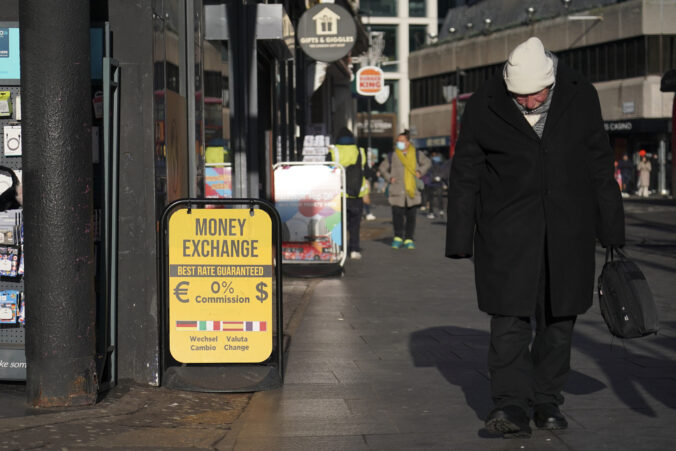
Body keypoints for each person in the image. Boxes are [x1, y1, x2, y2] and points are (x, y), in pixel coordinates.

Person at [445, 37, 625, 438]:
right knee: (508, 321)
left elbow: (599, 163)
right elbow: (466, 172)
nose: (527, 103)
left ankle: (546, 401)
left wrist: (612, 228)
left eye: (535, 95)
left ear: (552, 82)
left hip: (568, 232)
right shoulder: (485, 103)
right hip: (506, 233)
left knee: (559, 321)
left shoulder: (581, 96)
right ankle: (509, 405)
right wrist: (460, 238)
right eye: (519, 96)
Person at [379, 131, 431, 249]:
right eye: (398, 141)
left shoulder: (417, 154)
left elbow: (427, 163)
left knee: (411, 217)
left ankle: (409, 238)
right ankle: (397, 237)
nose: (399, 143)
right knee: (397, 215)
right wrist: (389, 178)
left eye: (402, 141)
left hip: (412, 190)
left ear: (408, 142)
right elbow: (382, 168)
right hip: (397, 190)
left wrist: (420, 172)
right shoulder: (392, 155)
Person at [328, 127, 368, 259]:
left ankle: (339, 250)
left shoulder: (333, 152)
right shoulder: (361, 151)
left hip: (339, 194)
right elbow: (366, 172)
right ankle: (354, 249)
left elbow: (327, 171)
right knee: (355, 224)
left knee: (338, 224)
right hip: (357, 194)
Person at [423, 151, 451, 219]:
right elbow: (428, 172)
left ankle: (441, 210)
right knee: (431, 199)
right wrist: (433, 178)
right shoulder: (430, 164)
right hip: (431, 183)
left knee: (440, 198)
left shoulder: (442, 163)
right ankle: (431, 212)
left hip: (439, 183)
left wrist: (442, 180)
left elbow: (444, 172)